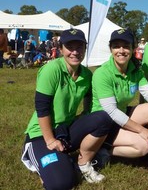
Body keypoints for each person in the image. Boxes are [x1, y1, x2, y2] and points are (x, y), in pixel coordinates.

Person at [21, 29, 112, 189]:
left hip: (66, 130)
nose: (75, 52)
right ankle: (54, 162)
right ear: (61, 48)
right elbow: (42, 108)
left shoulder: (86, 74)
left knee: (103, 118)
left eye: (80, 47)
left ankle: (82, 163)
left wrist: (85, 116)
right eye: (70, 47)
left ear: (85, 49)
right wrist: (50, 140)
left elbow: (90, 101)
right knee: (61, 183)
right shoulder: (52, 70)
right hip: (41, 135)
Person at [91, 28, 148, 167]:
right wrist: (142, 130)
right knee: (143, 145)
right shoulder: (102, 73)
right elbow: (111, 112)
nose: (121, 50)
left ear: (133, 48)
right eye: (116, 46)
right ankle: (103, 148)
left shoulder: (135, 70)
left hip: (121, 115)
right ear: (110, 49)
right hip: (103, 124)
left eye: (126, 46)